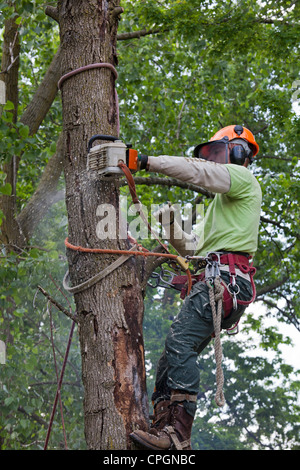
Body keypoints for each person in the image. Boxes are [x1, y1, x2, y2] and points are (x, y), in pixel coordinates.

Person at [130, 125, 262, 450]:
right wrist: (171, 225)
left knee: (179, 341)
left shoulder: (244, 181)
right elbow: (191, 249)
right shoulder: (219, 206)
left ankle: (177, 435)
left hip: (225, 282)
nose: (216, 163)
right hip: (219, 280)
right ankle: (163, 426)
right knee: (169, 358)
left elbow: (198, 173)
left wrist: (145, 161)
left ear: (240, 153)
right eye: (213, 156)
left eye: (221, 153)